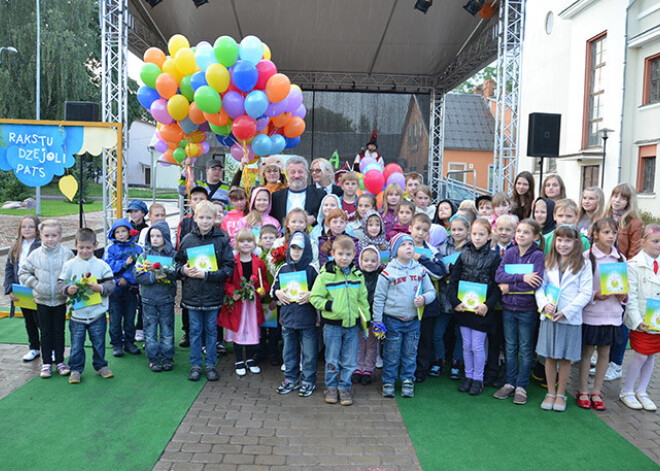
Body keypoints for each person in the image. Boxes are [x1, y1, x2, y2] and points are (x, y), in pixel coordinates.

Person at [176, 201, 235, 381]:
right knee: (194, 331)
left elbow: (228, 268)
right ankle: (195, 365)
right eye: (201, 217)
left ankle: (210, 364)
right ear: (195, 218)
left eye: (209, 218)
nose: (205, 221)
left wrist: (208, 275)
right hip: (192, 295)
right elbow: (177, 264)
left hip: (212, 295)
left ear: (215, 218)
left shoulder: (221, 240)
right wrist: (183, 271)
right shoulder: (187, 240)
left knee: (211, 331)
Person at [535, 224, 592, 412]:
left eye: (568, 240)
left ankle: (561, 394)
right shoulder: (547, 260)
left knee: (566, 358)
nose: (563, 244)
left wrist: (566, 311)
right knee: (550, 357)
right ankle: (550, 392)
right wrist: (544, 304)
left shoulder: (584, 264)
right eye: (559, 240)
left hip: (569, 318)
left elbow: (585, 293)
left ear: (576, 242)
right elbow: (540, 287)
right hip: (549, 317)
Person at [373, 233, 436, 399]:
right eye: (403, 245)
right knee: (391, 353)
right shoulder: (387, 272)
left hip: (414, 321)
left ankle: (408, 380)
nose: (408, 247)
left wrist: (424, 299)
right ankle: (388, 381)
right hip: (392, 320)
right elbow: (378, 299)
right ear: (394, 250)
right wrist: (377, 321)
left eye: (410, 244)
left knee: (410, 353)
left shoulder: (421, 270)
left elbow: (431, 292)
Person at [310, 236, 370, 406]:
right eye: (340, 254)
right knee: (331, 359)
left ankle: (344, 387)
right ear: (333, 254)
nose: (344, 258)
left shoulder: (358, 275)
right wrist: (330, 305)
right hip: (332, 327)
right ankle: (331, 387)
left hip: (352, 327)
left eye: (348, 254)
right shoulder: (325, 275)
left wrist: (366, 320)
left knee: (350, 360)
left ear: (354, 255)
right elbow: (315, 297)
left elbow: (362, 300)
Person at [576, 218, 626, 411]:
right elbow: (579, 287)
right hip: (592, 313)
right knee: (587, 353)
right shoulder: (587, 257)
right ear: (595, 234)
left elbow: (626, 287)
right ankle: (582, 390)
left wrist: (623, 295)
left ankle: (596, 391)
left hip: (612, 315)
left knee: (605, 353)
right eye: (606, 232)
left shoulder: (621, 259)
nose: (611, 236)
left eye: (614, 233)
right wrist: (595, 295)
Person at [494, 219, 545, 405]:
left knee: (525, 348)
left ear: (535, 237)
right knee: (509, 347)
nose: (521, 235)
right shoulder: (510, 252)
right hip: (508, 308)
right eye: (519, 231)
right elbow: (499, 276)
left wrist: (510, 286)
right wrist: (522, 277)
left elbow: (537, 283)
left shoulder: (538, 256)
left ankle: (521, 385)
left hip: (527, 310)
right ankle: (509, 383)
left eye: (526, 232)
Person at [449, 219, 502, 396]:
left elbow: (497, 287)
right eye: (474, 234)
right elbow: (453, 281)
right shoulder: (463, 255)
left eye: (481, 234)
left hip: (482, 311)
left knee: (477, 345)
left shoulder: (495, 258)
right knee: (466, 344)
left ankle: (478, 378)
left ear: (489, 236)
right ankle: (469, 376)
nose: (477, 238)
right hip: (465, 308)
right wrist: (455, 302)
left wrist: (488, 305)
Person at [58, 228, 115, 383]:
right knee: (76, 345)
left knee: (99, 343)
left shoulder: (102, 265)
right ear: (76, 245)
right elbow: (60, 284)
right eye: (81, 247)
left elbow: (111, 284)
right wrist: (67, 289)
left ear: (95, 245)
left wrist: (101, 289)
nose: (84, 251)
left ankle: (100, 366)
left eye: (88, 248)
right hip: (77, 315)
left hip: (98, 314)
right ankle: (76, 369)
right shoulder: (69, 265)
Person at [19, 220, 73, 378]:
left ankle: (60, 361)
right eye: (46, 235)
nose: (50, 239)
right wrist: (36, 284)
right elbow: (23, 272)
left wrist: (67, 288)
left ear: (60, 236)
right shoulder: (35, 255)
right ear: (40, 235)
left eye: (54, 235)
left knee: (59, 331)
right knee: (45, 332)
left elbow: (72, 273)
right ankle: (47, 363)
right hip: (41, 300)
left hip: (60, 300)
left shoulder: (67, 254)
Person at [604, 183, 643, 381]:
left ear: (629, 201)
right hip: (602, 271)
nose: (617, 200)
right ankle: (602, 359)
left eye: (622, 197)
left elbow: (635, 253)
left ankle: (616, 364)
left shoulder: (634, 223)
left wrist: (622, 274)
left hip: (621, 273)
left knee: (620, 322)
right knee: (601, 318)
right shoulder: (605, 218)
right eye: (615, 196)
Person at [619, 224, 660, 411]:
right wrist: (636, 320)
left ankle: (642, 391)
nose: (658, 245)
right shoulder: (633, 265)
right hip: (642, 320)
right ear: (643, 242)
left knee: (651, 355)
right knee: (641, 355)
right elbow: (632, 296)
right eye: (655, 241)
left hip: (657, 320)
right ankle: (627, 390)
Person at [273, 231, 319, 396]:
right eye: (293, 248)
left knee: (309, 354)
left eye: (300, 249)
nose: (296, 252)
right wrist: (278, 293)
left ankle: (308, 380)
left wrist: (311, 295)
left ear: (306, 250)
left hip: (307, 321)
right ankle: (290, 379)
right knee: (289, 352)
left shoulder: (312, 270)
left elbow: (320, 292)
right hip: (287, 321)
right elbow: (274, 289)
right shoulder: (283, 269)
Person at [219, 229, 270, 376]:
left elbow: (264, 281)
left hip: (252, 304)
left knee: (251, 330)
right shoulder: (232, 261)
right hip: (238, 303)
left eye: (249, 241)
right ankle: (239, 359)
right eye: (242, 241)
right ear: (237, 243)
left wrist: (263, 290)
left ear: (254, 243)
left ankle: (250, 359)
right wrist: (232, 292)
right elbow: (226, 281)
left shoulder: (259, 262)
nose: (246, 244)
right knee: (238, 329)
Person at [134, 221, 178, 373]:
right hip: (148, 298)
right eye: (152, 236)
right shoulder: (144, 255)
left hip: (167, 297)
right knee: (150, 329)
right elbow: (138, 275)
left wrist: (168, 272)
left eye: (158, 236)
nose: (155, 239)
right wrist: (154, 278)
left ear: (165, 236)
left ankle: (167, 357)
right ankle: (153, 358)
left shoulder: (173, 255)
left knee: (167, 329)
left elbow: (178, 272)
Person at [432, 214, 470, 380]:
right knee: (437, 333)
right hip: (445, 298)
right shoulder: (442, 246)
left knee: (459, 334)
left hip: (463, 298)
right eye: (454, 229)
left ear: (467, 231)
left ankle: (456, 361)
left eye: (460, 229)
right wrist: (449, 270)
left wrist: (457, 273)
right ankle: (439, 359)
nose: (456, 232)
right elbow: (438, 266)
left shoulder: (470, 248)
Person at [410, 213, 446, 382]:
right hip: (406, 302)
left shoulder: (432, 252)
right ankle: (408, 367)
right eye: (417, 228)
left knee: (425, 337)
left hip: (428, 303)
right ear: (410, 228)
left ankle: (421, 369)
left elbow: (439, 273)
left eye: (424, 230)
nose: (420, 233)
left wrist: (421, 259)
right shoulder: (402, 246)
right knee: (409, 336)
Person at [104, 218, 143, 357]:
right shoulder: (110, 249)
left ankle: (129, 342)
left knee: (130, 318)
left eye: (124, 231)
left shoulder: (137, 249)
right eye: (117, 232)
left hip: (131, 290)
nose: (121, 234)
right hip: (115, 290)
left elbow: (140, 268)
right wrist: (123, 266)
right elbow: (107, 267)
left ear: (129, 232)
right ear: (113, 234)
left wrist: (130, 281)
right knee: (115, 319)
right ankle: (116, 343)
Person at [4, 215, 41, 361]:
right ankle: (34, 348)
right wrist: (9, 289)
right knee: (29, 321)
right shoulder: (16, 246)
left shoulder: (40, 245)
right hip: (21, 290)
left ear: (37, 229)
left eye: (31, 226)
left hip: (37, 290)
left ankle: (49, 348)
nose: (27, 229)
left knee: (41, 321)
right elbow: (8, 268)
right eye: (24, 226)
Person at [353, 246, 382, 386]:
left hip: (373, 316)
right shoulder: (356, 276)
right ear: (360, 261)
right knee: (359, 343)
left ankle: (369, 369)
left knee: (371, 344)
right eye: (366, 260)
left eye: (373, 261)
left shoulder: (380, 278)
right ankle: (358, 368)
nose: (369, 263)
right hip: (359, 316)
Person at [271, 156, 325, 226]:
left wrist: (314, 218)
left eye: (300, 172)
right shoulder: (276, 197)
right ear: (287, 174)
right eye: (293, 172)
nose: (296, 175)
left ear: (307, 173)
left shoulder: (320, 195)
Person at [176, 186, 210, 250]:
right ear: (190, 202)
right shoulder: (184, 221)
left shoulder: (212, 220)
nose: (198, 201)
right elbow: (179, 243)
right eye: (195, 199)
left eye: (201, 199)